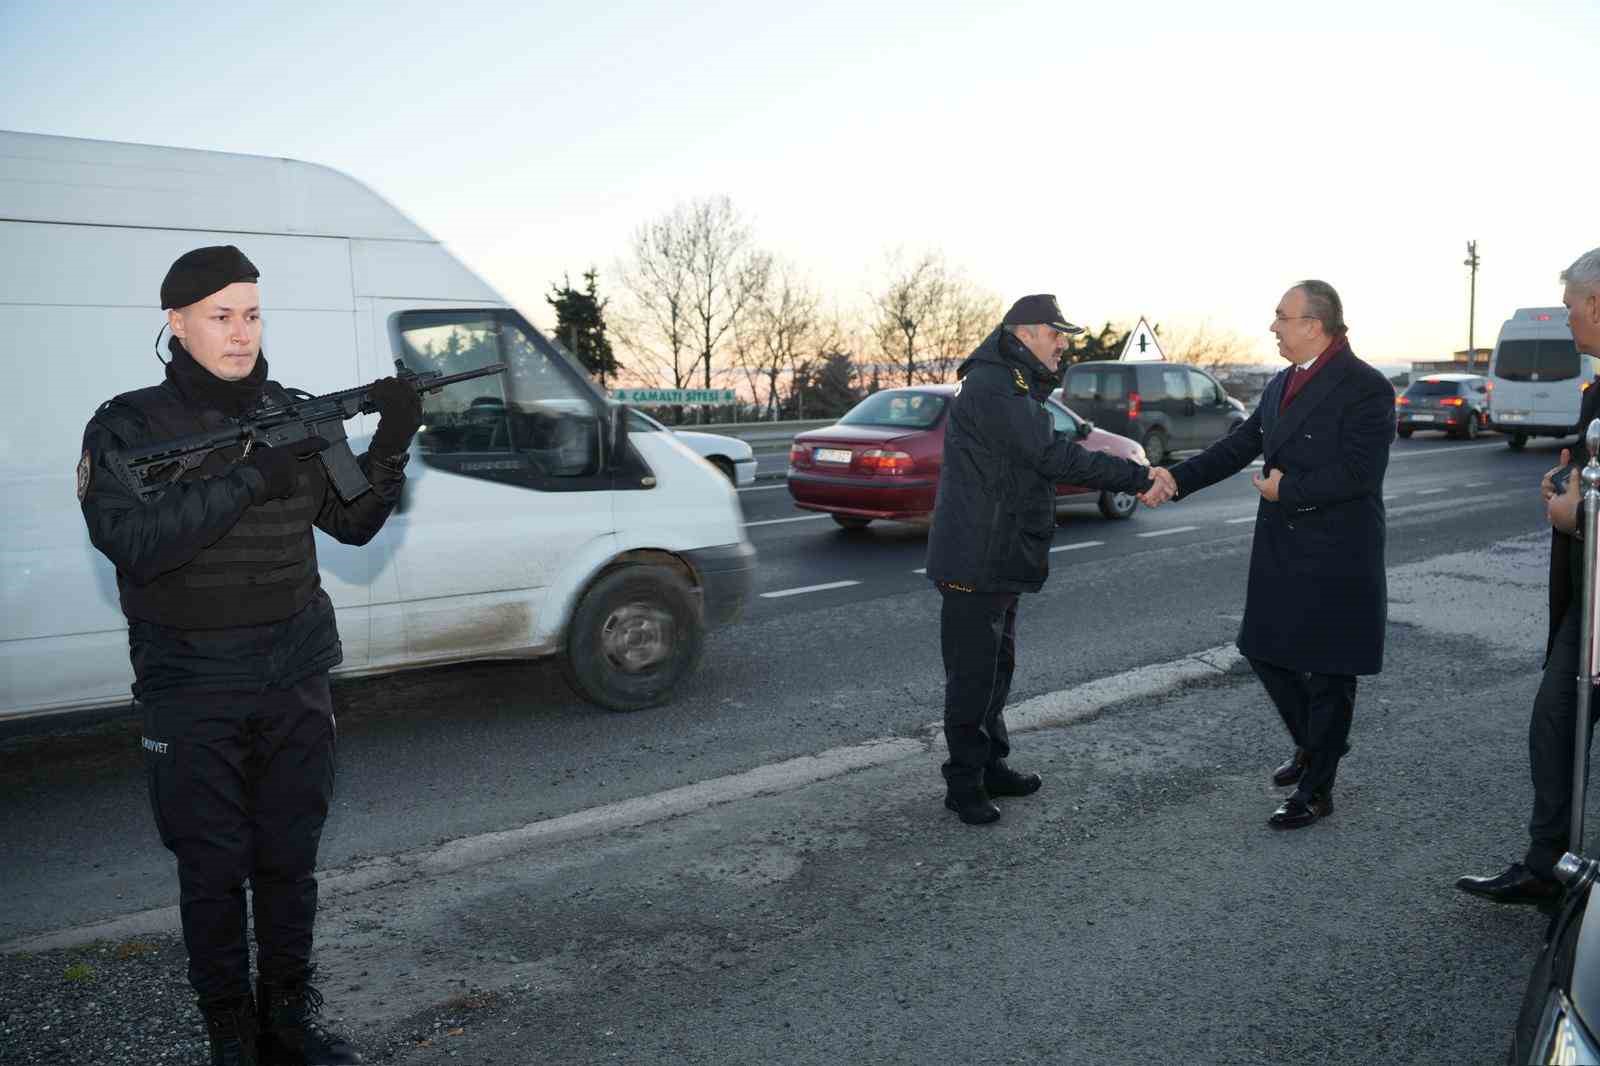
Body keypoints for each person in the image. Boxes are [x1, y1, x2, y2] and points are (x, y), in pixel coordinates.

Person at [78, 246, 421, 1065]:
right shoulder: (126, 424)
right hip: (192, 680)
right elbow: (130, 540)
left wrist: (395, 441)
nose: (240, 333)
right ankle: (231, 1033)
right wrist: (248, 478)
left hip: (293, 670)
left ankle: (291, 1021)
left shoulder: (298, 414)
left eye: (253, 313)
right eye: (220, 316)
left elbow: (357, 520)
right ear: (177, 323)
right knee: (211, 866)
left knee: (289, 858)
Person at [1144, 280, 1395, 829]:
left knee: (1330, 669)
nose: (1273, 325)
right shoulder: (1282, 383)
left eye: (1283, 316)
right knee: (1263, 647)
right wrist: (1174, 480)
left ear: (1315, 324)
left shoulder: (1366, 387)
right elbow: (1238, 446)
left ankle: (1317, 786)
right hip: (1284, 543)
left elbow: (1361, 475)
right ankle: (1317, 743)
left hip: (1336, 549)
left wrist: (1289, 492)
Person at [925, 294, 1162, 825]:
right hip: (976, 555)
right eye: (1057, 334)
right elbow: (1050, 455)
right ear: (1026, 332)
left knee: (996, 668)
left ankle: (991, 766)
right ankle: (963, 784)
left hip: (995, 548)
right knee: (972, 676)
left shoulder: (1007, 381)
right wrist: (1139, 475)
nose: (1063, 344)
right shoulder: (995, 385)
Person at [1458, 247, 1600, 906]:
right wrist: (1566, 483)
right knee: (1555, 721)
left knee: (1560, 719)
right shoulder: (1595, 388)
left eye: (1572, 307)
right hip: (1588, 596)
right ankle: (1549, 864)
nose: (1569, 320)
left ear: (1596, 303)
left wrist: (1576, 511)